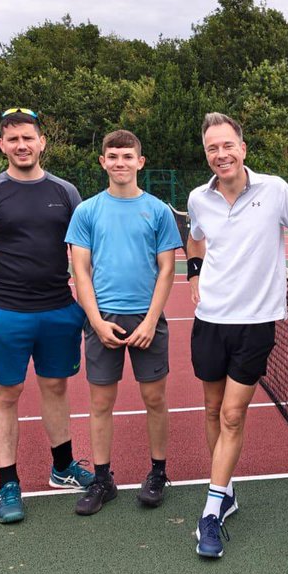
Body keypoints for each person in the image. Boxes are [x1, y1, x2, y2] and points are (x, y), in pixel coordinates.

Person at [0, 107, 93, 524]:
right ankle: (8, 484)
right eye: (12, 138)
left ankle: (62, 467)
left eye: (28, 137)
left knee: (55, 387)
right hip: (6, 314)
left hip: (58, 310)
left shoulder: (66, 192)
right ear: (2, 145)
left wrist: (80, 307)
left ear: (42, 142)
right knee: (7, 394)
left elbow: (81, 254)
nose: (21, 145)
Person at [186, 113, 288, 558]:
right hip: (210, 319)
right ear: (207, 155)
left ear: (243, 147)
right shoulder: (199, 198)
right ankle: (227, 489)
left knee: (233, 415)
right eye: (213, 149)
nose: (221, 155)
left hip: (256, 324)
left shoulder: (274, 190)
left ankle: (211, 511)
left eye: (227, 146)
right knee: (213, 409)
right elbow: (195, 238)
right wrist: (194, 270)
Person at [65, 130, 183, 516]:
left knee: (154, 399)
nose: (120, 163)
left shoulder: (159, 211)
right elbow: (80, 270)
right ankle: (102, 480)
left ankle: (158, 473)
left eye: (127, 156)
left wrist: (150, 320)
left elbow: (168, 269)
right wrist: (95, 321)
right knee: (100, 403)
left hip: (147, 319)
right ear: (102, 162)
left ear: (140, 162)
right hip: (102, 319)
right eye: (112, 156)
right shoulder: (87, 211)